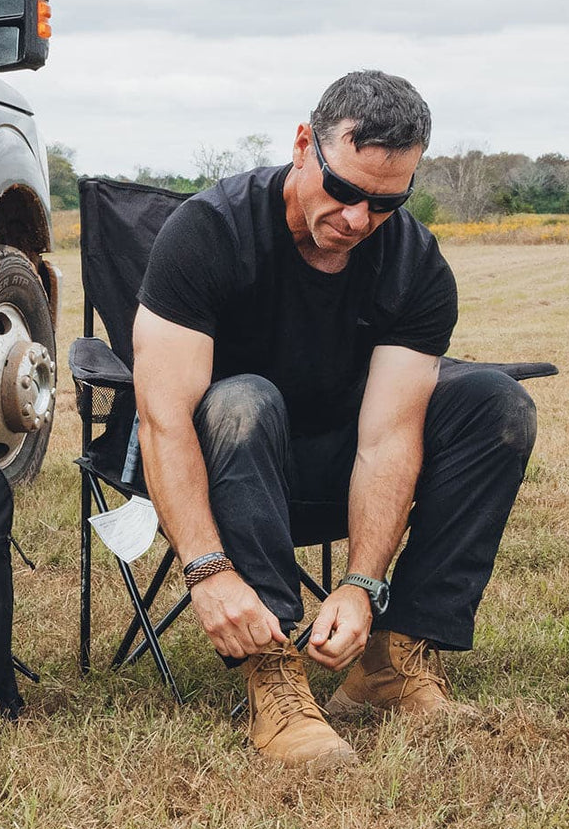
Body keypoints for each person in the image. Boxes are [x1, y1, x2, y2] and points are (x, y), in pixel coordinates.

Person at [133, 71, 536, 772]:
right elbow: (163, 420)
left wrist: (362, 583)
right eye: (343, 190)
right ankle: (272, 674)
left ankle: (389, 658)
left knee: (496, 403)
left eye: (385, 202)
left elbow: (387, 439)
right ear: (302, 146)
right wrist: (206, 570)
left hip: (333, 461)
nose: (356, 219)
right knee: (241, 399)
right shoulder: (209, 232)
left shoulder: (414, 265)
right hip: (226, 456)